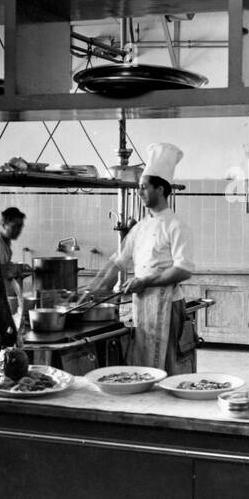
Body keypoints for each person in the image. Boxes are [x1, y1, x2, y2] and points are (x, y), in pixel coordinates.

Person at [78, 142, 198, 373]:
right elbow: (118, 261)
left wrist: (144, 282)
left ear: (160, 190)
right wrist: (91, 289)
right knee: (144, 363)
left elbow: (183, 270)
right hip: (143, 304)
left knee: (166, 364)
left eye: (144, 187)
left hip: (168, 304)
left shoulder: (176, 226)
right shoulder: (141, 227)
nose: (139, 192)